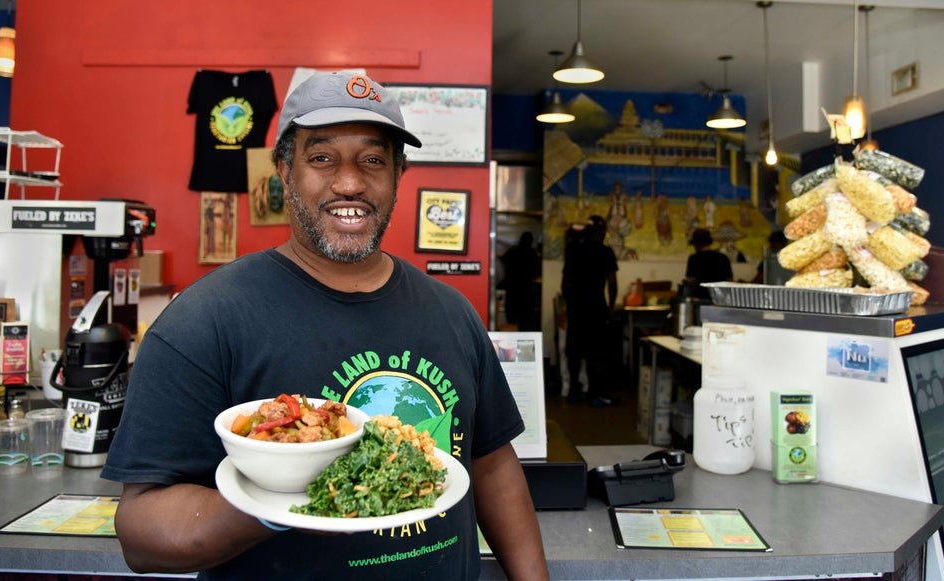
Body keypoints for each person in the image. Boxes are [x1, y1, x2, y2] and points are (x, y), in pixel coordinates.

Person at [101, 71, 548, 581]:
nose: (350, 182)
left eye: (373, 160)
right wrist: (288, 501)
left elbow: (491, 465)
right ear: (284, 171)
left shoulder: (452, 311)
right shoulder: (205, 320)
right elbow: (141, 531)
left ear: (398, 173)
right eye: (322, 158)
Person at [561, 215, 620, 407]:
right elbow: (612, 282)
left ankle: (573, 392)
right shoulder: (605, 252)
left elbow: (565, 283)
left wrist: (571, 302)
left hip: (576, 307)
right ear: (599, 231)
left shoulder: (574, 251)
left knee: (575, 351)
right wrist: (611, 306)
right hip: (596, 307)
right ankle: (594, 394)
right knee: (596, 352)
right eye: (602, 230)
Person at [500, 231, 541, 331]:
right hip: (526, 292)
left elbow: (501, 262)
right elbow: (537, 273)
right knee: (525, 323)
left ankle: (511, 344)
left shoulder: (512, 251)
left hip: (512, 291)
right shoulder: (532, 253)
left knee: (511, 322)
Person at [685, 227, 732, 299]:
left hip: (700, 298)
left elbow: (691, 281)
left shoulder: (694, 258)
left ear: (696, 244)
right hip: (720, 298)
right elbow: (729, 280)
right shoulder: (723, 258)